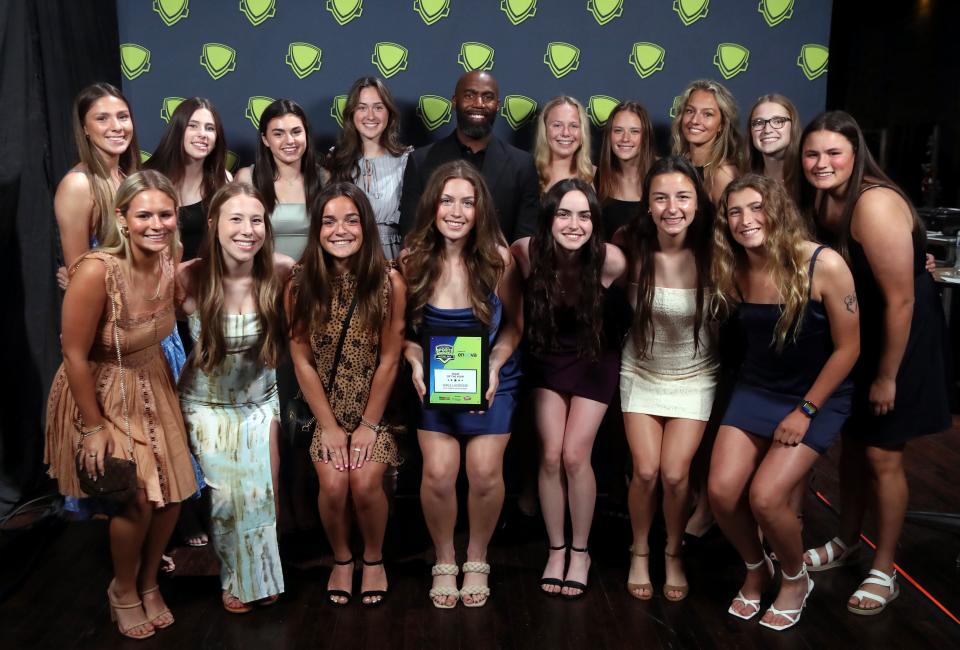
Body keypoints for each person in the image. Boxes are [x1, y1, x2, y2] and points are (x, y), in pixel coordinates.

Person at [800, 111, 951, 615]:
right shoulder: (825, 197)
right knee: (853, 448)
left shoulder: (874, 203)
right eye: (813, 154)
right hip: (864, 335)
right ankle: (847, 542)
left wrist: (888, 375)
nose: (822, 163)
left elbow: (901, 301)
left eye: (833, 153)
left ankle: (885, 569)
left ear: (856, 153)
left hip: (900, 338)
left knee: (884, 455)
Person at [45, 170, 198, 639]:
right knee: (135, 498)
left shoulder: (172, 261)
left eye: (165, 214)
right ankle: (123, 589)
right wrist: (93, 427)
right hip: (100, 387)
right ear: (121, 218)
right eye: (144, 214)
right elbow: (72, 352)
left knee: (174, 493)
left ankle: (151, 583)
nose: (157, 223)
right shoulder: (96, 270)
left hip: (154, 380)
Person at [709, 174, 859, 629]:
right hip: (757, 389)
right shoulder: (732, 266)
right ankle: (758, 568)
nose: (745, 220)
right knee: (720, 492)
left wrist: (806, 410)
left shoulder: (823, 263)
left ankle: (795, 580)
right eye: (734, 211)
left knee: (767, 498)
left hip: (816, 396)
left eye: (755, 207)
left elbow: (849, 349)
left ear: (777, 209)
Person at [401, 161, 523, 608]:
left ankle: (477, 555)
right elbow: (403, 334)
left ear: (480, 209)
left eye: (467, 202)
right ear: (433, 206)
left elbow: (514, 328)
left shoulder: (499, 259)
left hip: (492, 381)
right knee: (437, 473)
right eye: (447, 200)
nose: (456, 211)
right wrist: (413, 359)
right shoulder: (412, 259)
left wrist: (494, 363)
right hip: (432, 384)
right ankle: (444, 558)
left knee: (485, 472)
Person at [288, 182, 406, 607]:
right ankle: (342, 557)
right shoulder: (300, 283)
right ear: (317, 229)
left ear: (366, 226)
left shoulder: (389, 280)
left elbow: (391, 359)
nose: (341, 230)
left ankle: (372, 558)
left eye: (351, 220)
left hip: (376, 412)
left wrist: (369, 427)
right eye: (329, 221)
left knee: (365, 481)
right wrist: (330, 428)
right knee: (335, 485)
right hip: (327, 412)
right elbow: (301, 359)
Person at [177, 183, 293, 613]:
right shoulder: (188, 276)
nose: (248, 229)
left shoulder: (281, 271)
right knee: (227, 494)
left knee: (263, 491)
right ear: (214, 225)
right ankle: (236, 579)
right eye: (236, 219)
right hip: (206, 403)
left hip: (261, 399)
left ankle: (262, 572)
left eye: (256, 219)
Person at [511, 179, 627, 598]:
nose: (574, 224)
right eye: (564, 213)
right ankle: (555, 550)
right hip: (547, 356)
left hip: (595, 358)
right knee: (549, 454)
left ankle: (581, 551)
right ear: (548, 218)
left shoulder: (611, 261)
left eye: (584, 215)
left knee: (576, 455)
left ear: (595, 221)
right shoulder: (526, 252)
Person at [613, 156, 717, 602]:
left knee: (677, 476)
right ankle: (640, 550)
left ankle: (673, 552)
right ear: (648, 205)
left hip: (695, 376)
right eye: (660, 198)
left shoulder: (717, 250)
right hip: (641, 370)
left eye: (682, 197)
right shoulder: (629, 249)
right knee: (646, 470)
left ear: (697, 203)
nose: (672, 207)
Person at [398, 70, 539, 241]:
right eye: (469, 95)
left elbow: (524, 241)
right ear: (454, 101)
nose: (478, 103)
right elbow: (411, 234)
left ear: (498, 105)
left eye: (487, 97)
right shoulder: (420, 161)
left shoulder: (522, 165)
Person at [326, 77, 411, 259]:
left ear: (389, 113)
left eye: (378, 107)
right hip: (346, 259)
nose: (370, 116)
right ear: (351, 114)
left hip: (393, 260)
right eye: (362, 107)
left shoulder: (406, 160)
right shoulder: (336, 159)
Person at [236, 98, 324, 261]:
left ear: (306, 134)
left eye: (296, 132)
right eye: (278, 134)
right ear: (265, 140)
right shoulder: (247, 179)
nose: (289, 141)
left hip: (313, 279)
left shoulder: (324, 178)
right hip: (263, 280)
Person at [146, 97, 232, 262]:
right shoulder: (147, 177)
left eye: (210, 128)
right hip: (154, 276)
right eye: (192, 126)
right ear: (178, 130)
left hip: (201, 276)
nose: (202, 134)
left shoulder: (222, 179)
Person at [671, 79, 744, 203]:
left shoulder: (723, 175)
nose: (694, 120)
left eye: (707, 114)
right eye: (690, 111)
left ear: (722, 124)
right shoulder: (680, 163)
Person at [596, 101, 657, 234]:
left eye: (634, 131)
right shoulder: (595, 179)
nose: (625, 138)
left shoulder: (662, 176)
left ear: (645, 137)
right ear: (609, 136)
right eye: (618, 131)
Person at [533, 96, 595, 194]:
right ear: (544, 130)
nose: (566, 133)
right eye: (557, 125)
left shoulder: (597, 177)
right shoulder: (527, 174)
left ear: (582, 132)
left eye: (573, 126)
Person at [748, 94, 801, 203]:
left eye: (778, 121)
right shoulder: (745, 178)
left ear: (793, 126)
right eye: (758, 123)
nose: (767, 130)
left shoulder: (808, 177)